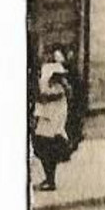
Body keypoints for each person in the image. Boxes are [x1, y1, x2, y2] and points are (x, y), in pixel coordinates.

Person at [30, 60, 71, 191]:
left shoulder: (59, 88)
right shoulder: (47, 84)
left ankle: (50, 180)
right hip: (46, 121)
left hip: (52, 122)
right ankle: (49, 179)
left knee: (48, 151)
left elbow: (50, 99)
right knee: (43, 149)